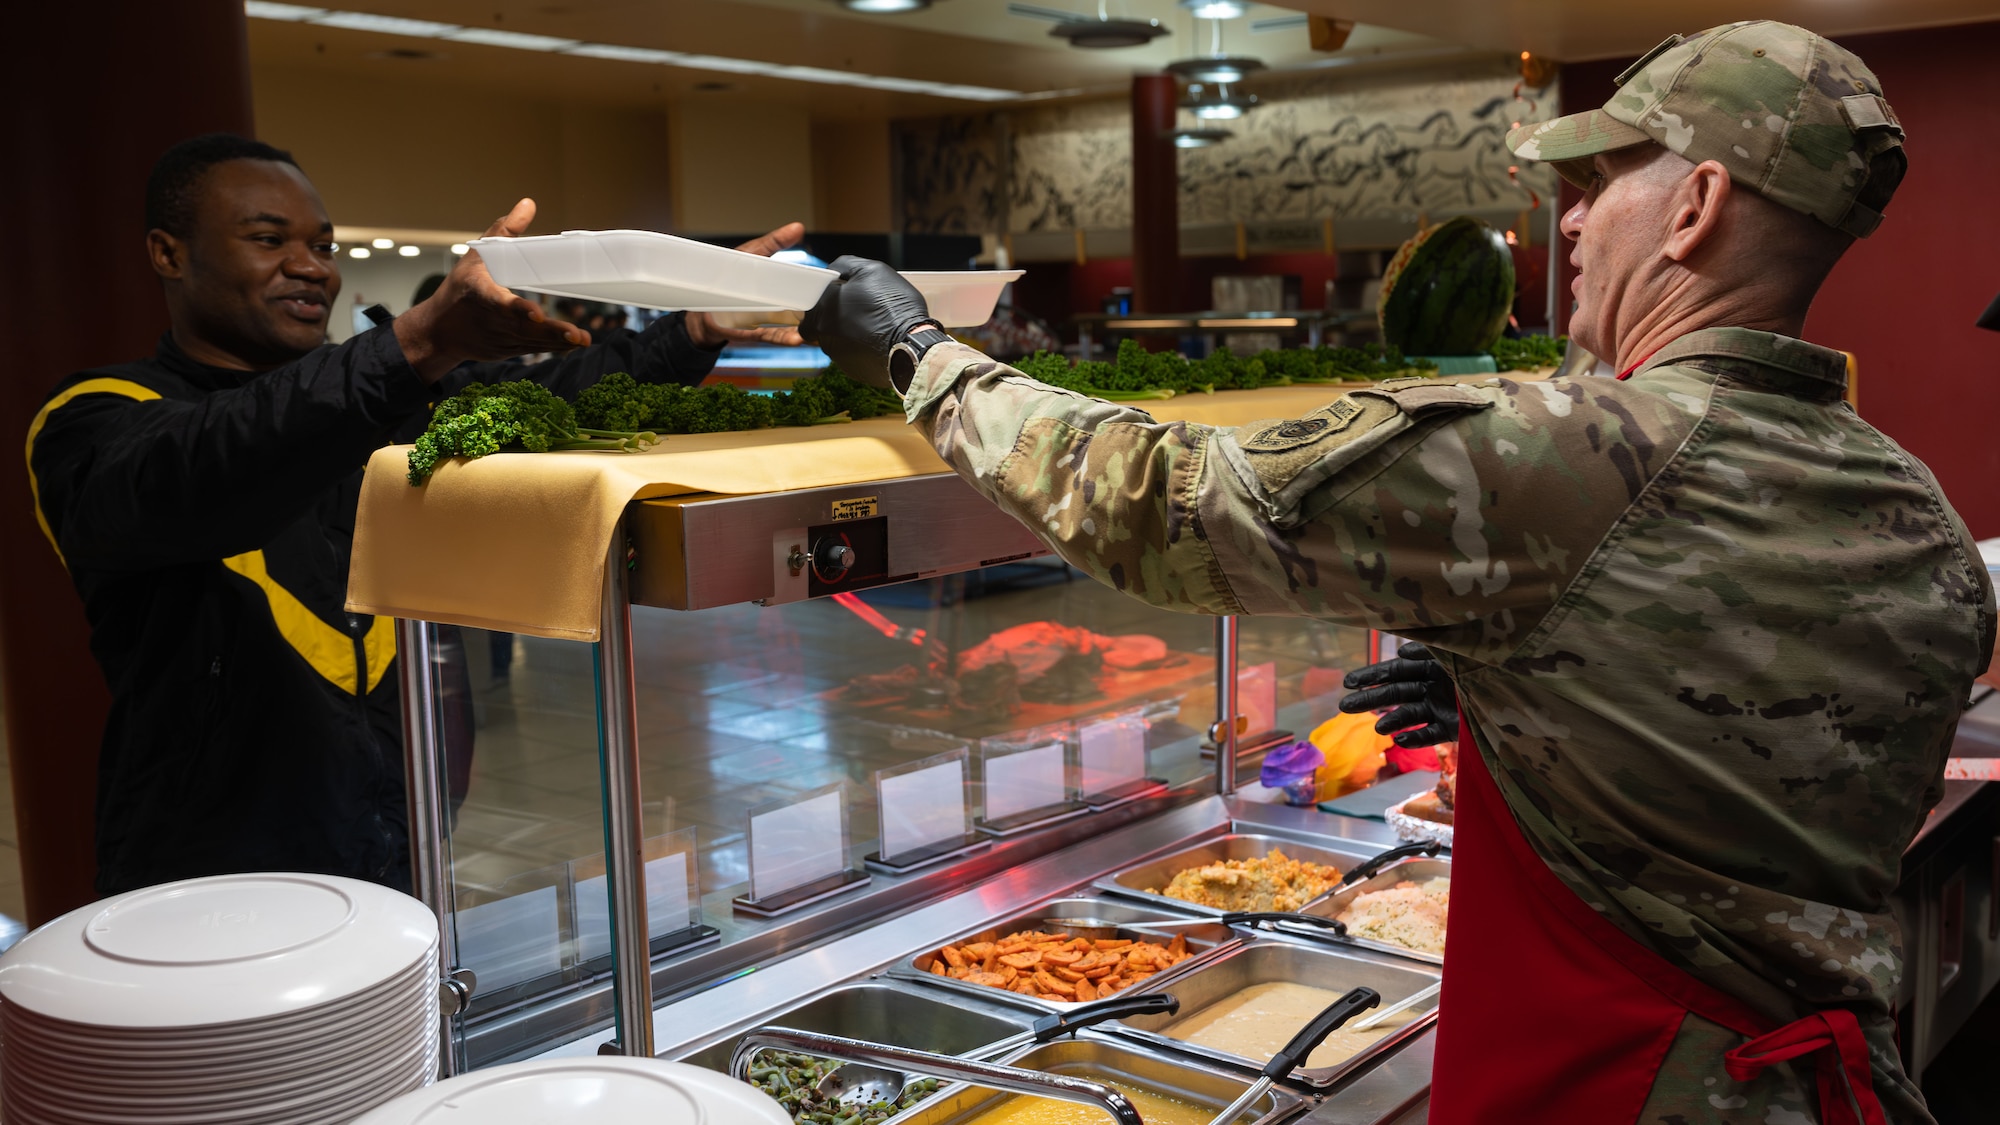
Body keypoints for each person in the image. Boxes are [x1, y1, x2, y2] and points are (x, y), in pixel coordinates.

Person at [801, 22, 1995, 1124]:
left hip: (1618, 1089)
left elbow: (1152, 504)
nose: (1568, 225)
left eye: (1594, 186)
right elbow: (1743, 774)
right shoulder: (1917, 512)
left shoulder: (1570, 453)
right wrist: (1525, 692)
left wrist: (919, 353)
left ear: (1692, 206)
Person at [28, 132, 802, 896]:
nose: (310, 267)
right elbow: (220, 459)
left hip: (398, 859)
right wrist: (416, 342)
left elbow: (559, 392)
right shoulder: (95, 419)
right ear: (168, 253)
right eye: (269, 240)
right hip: (204, 886)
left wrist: (692, 330)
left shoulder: (385, 401)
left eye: (322, 246)